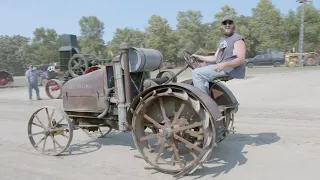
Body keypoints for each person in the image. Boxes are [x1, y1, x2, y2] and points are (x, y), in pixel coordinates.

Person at [191, 16, 246, 94]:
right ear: (221, 26)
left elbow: (241, 59)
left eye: (230, 23)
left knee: (196, 73)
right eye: (225, 23)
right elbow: (215, 58)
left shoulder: (237, 39)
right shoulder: (223, 40)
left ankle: (203, 102)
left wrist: (224, 65)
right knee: (202, 76)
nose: (227, 25)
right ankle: (208, 100)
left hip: (229, 70)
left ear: (233, 26)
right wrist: (198, 56)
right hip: (223, 68)